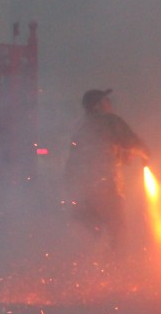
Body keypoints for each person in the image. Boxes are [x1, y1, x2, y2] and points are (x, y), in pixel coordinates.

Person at [64, 89, 150, 249]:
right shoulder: (109, 120)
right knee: (117, 233)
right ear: (99, 105)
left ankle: (88, 271)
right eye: (106, 100)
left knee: (87, 237)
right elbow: (131, 142)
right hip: (106, 188)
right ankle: (118, 270)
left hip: (82, 192)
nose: (109, 104)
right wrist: (146, 154)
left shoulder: (80, 125)